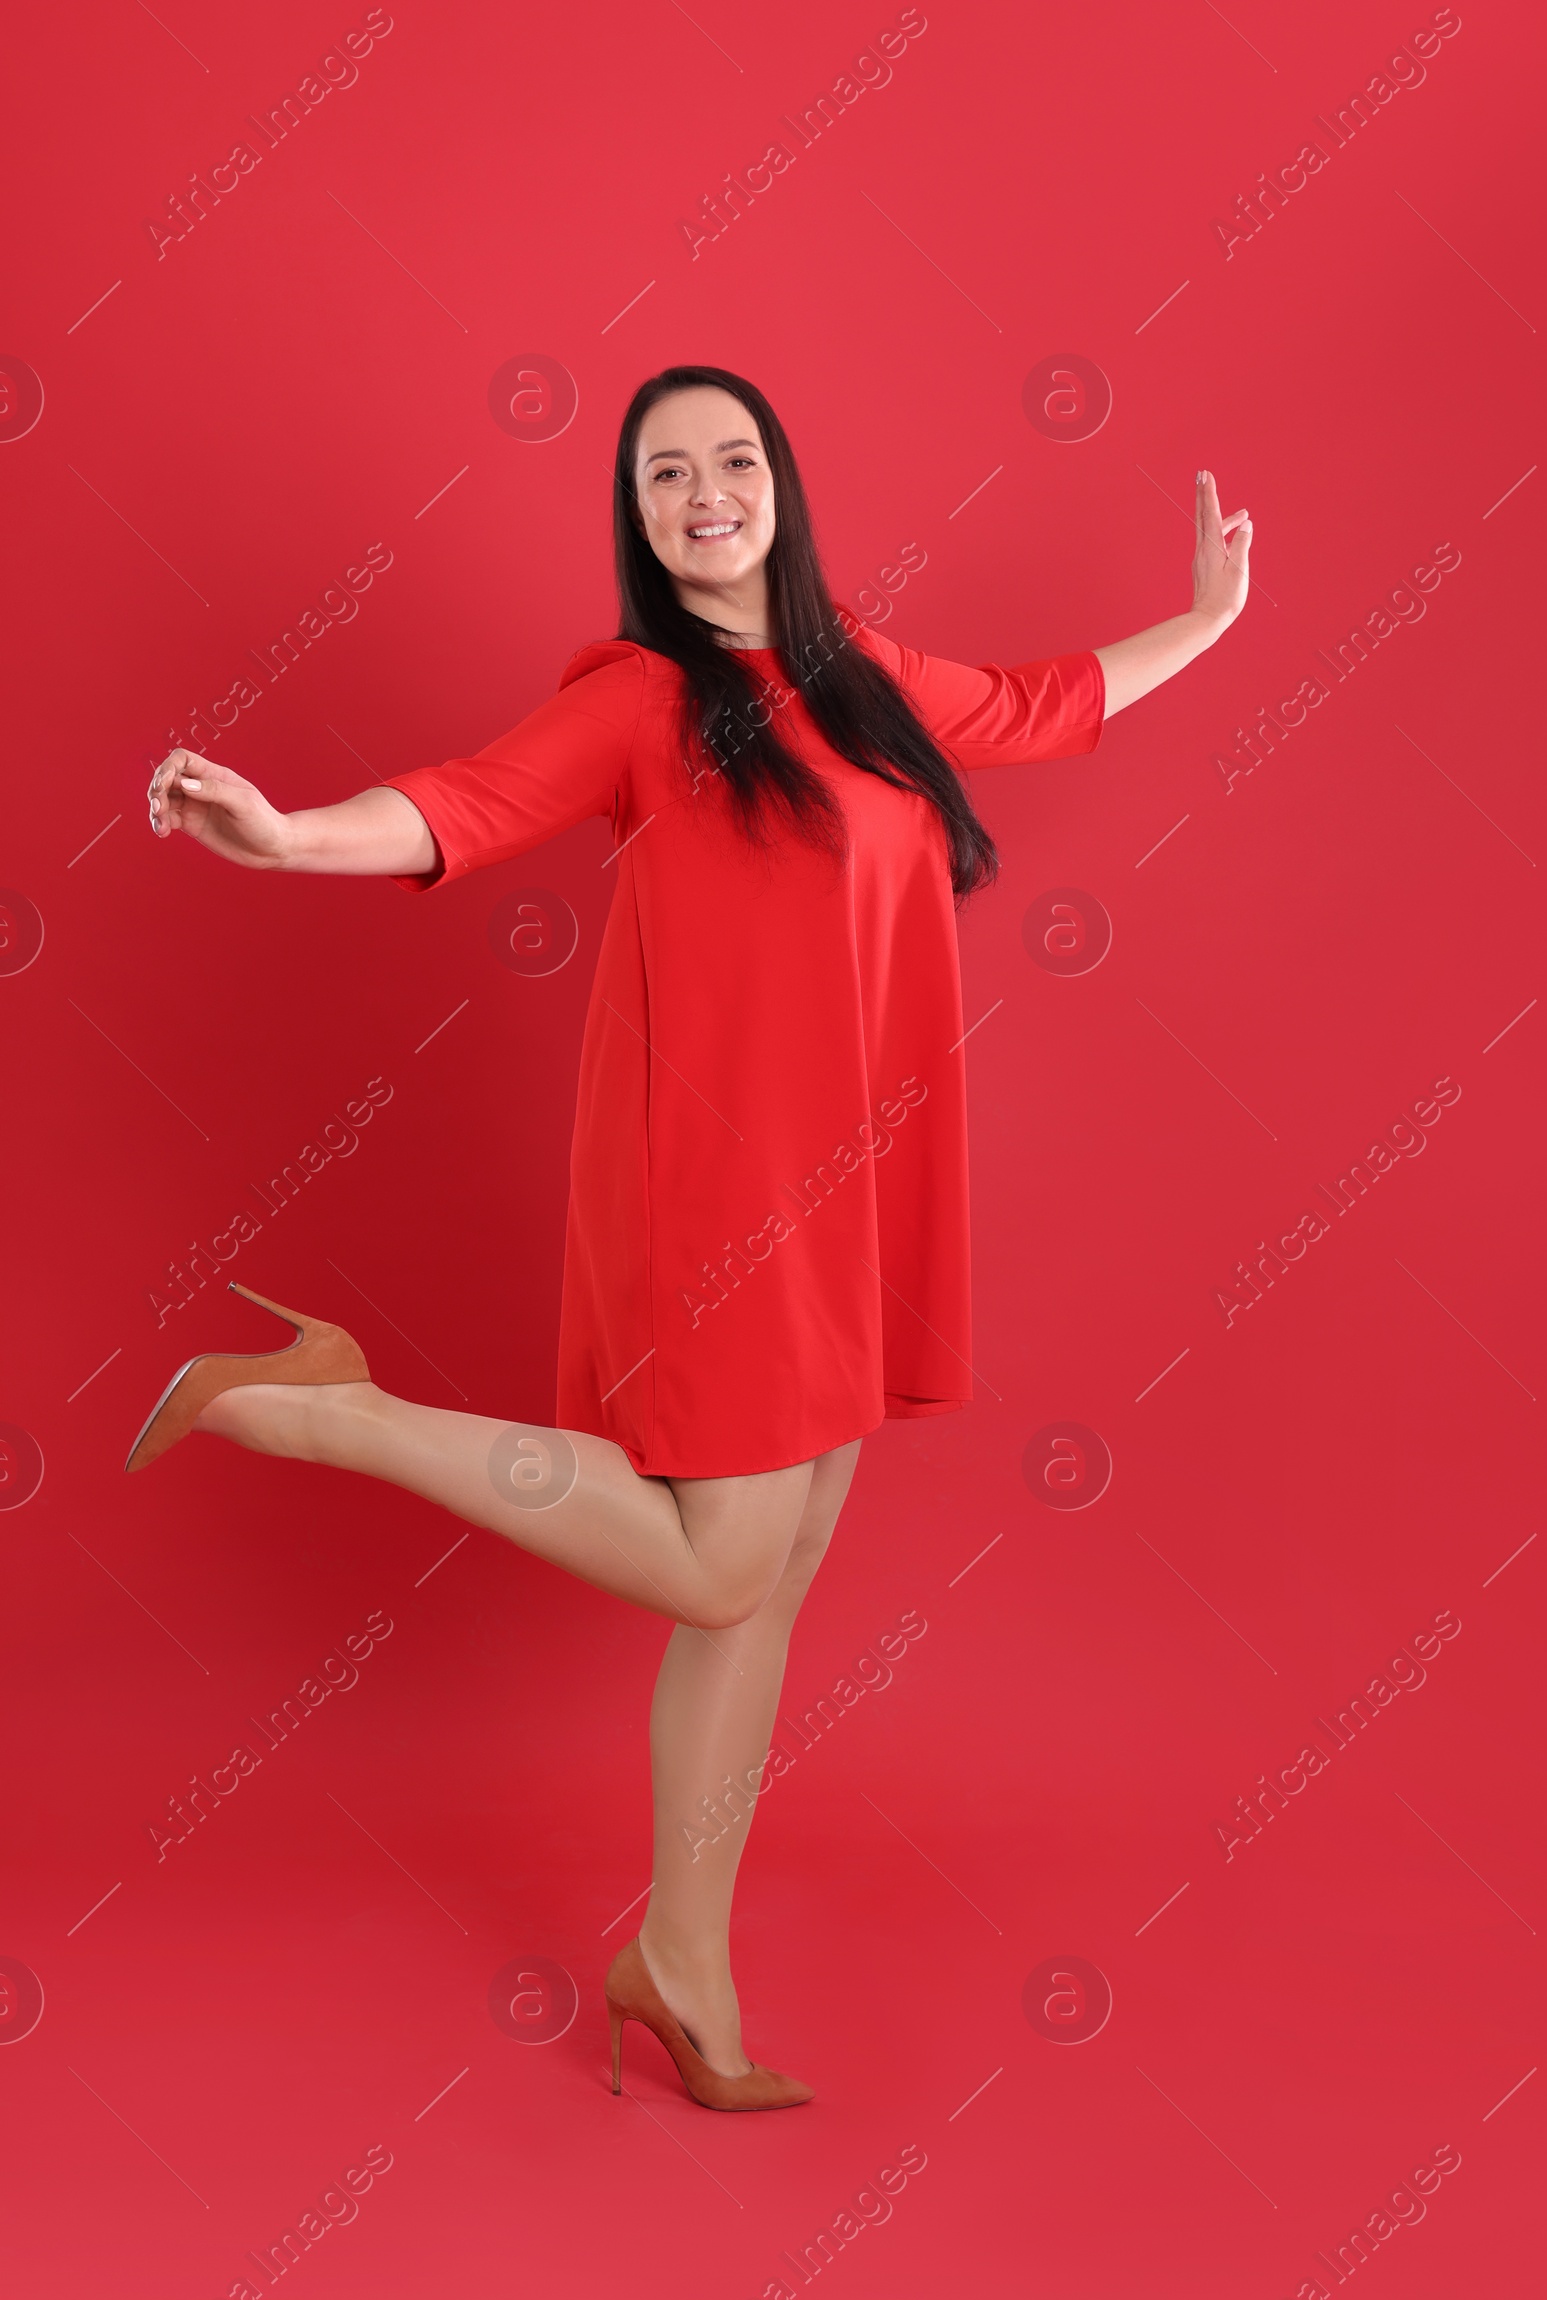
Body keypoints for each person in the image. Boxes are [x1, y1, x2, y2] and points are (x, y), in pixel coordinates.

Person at [130, 364, 1251, 2108]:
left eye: (733, 461)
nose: (706, 492)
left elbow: (1039, 702)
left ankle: (682, 1964)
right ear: (642, 520)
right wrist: (282, 840)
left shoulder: (864, 679)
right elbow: (465, 802)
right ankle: (329, 1406)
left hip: (857, 1178)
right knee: (725, 1562)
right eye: (669, 475)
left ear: (782, 488)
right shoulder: (643, 702)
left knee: (770, 1584)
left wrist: (1203, 617)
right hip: (718, 1194)